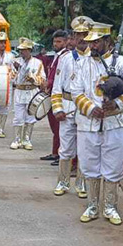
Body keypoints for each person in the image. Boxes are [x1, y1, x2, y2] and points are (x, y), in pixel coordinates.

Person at [70, 22, 123, 225]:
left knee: (113, 165)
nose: (92, 46)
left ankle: (110, 206)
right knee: (89, 164)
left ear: (107, 41)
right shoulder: (82, 63)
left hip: (115, 122)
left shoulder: (122, 63)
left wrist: (118, 103)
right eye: (90, 42)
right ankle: (92, 205)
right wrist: (89, 108)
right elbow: (76, 90)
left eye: (96, 42)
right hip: (88, 123)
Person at [51, 16, 93, 198]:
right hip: (68, 107)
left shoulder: (96, 59)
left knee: (84, 148)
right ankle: (63, 181)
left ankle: (81, 183)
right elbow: (57, 85)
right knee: (66, 147)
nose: (81, 38)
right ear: (72, 38)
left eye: (85, 34)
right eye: (78, 35)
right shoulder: (66, 58)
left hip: (86, 109)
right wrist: (57, 108)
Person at [10, 37, 45, 150]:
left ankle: (26, 139)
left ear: (30, 50)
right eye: (20, 50)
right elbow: (11, 78)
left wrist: (32, 79)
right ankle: (17, 139)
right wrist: (17, 71)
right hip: (20, 91)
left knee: (30, 117)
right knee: (18, 117)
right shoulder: (15, 61)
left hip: (32, 91)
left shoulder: (37, 63)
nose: (21, 52)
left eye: (24, 50)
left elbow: (42, 79)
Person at [41, 30, 70, 164]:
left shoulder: (66, 56)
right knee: (54, 125)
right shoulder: (57, 56)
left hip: (60, 95)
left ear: (66, 42)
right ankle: (55, 151)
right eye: (55, 41)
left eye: (59, 41)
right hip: (52, 93)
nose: (56, 44)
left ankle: (60, 154)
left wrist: (49, 83)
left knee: (59, 127)